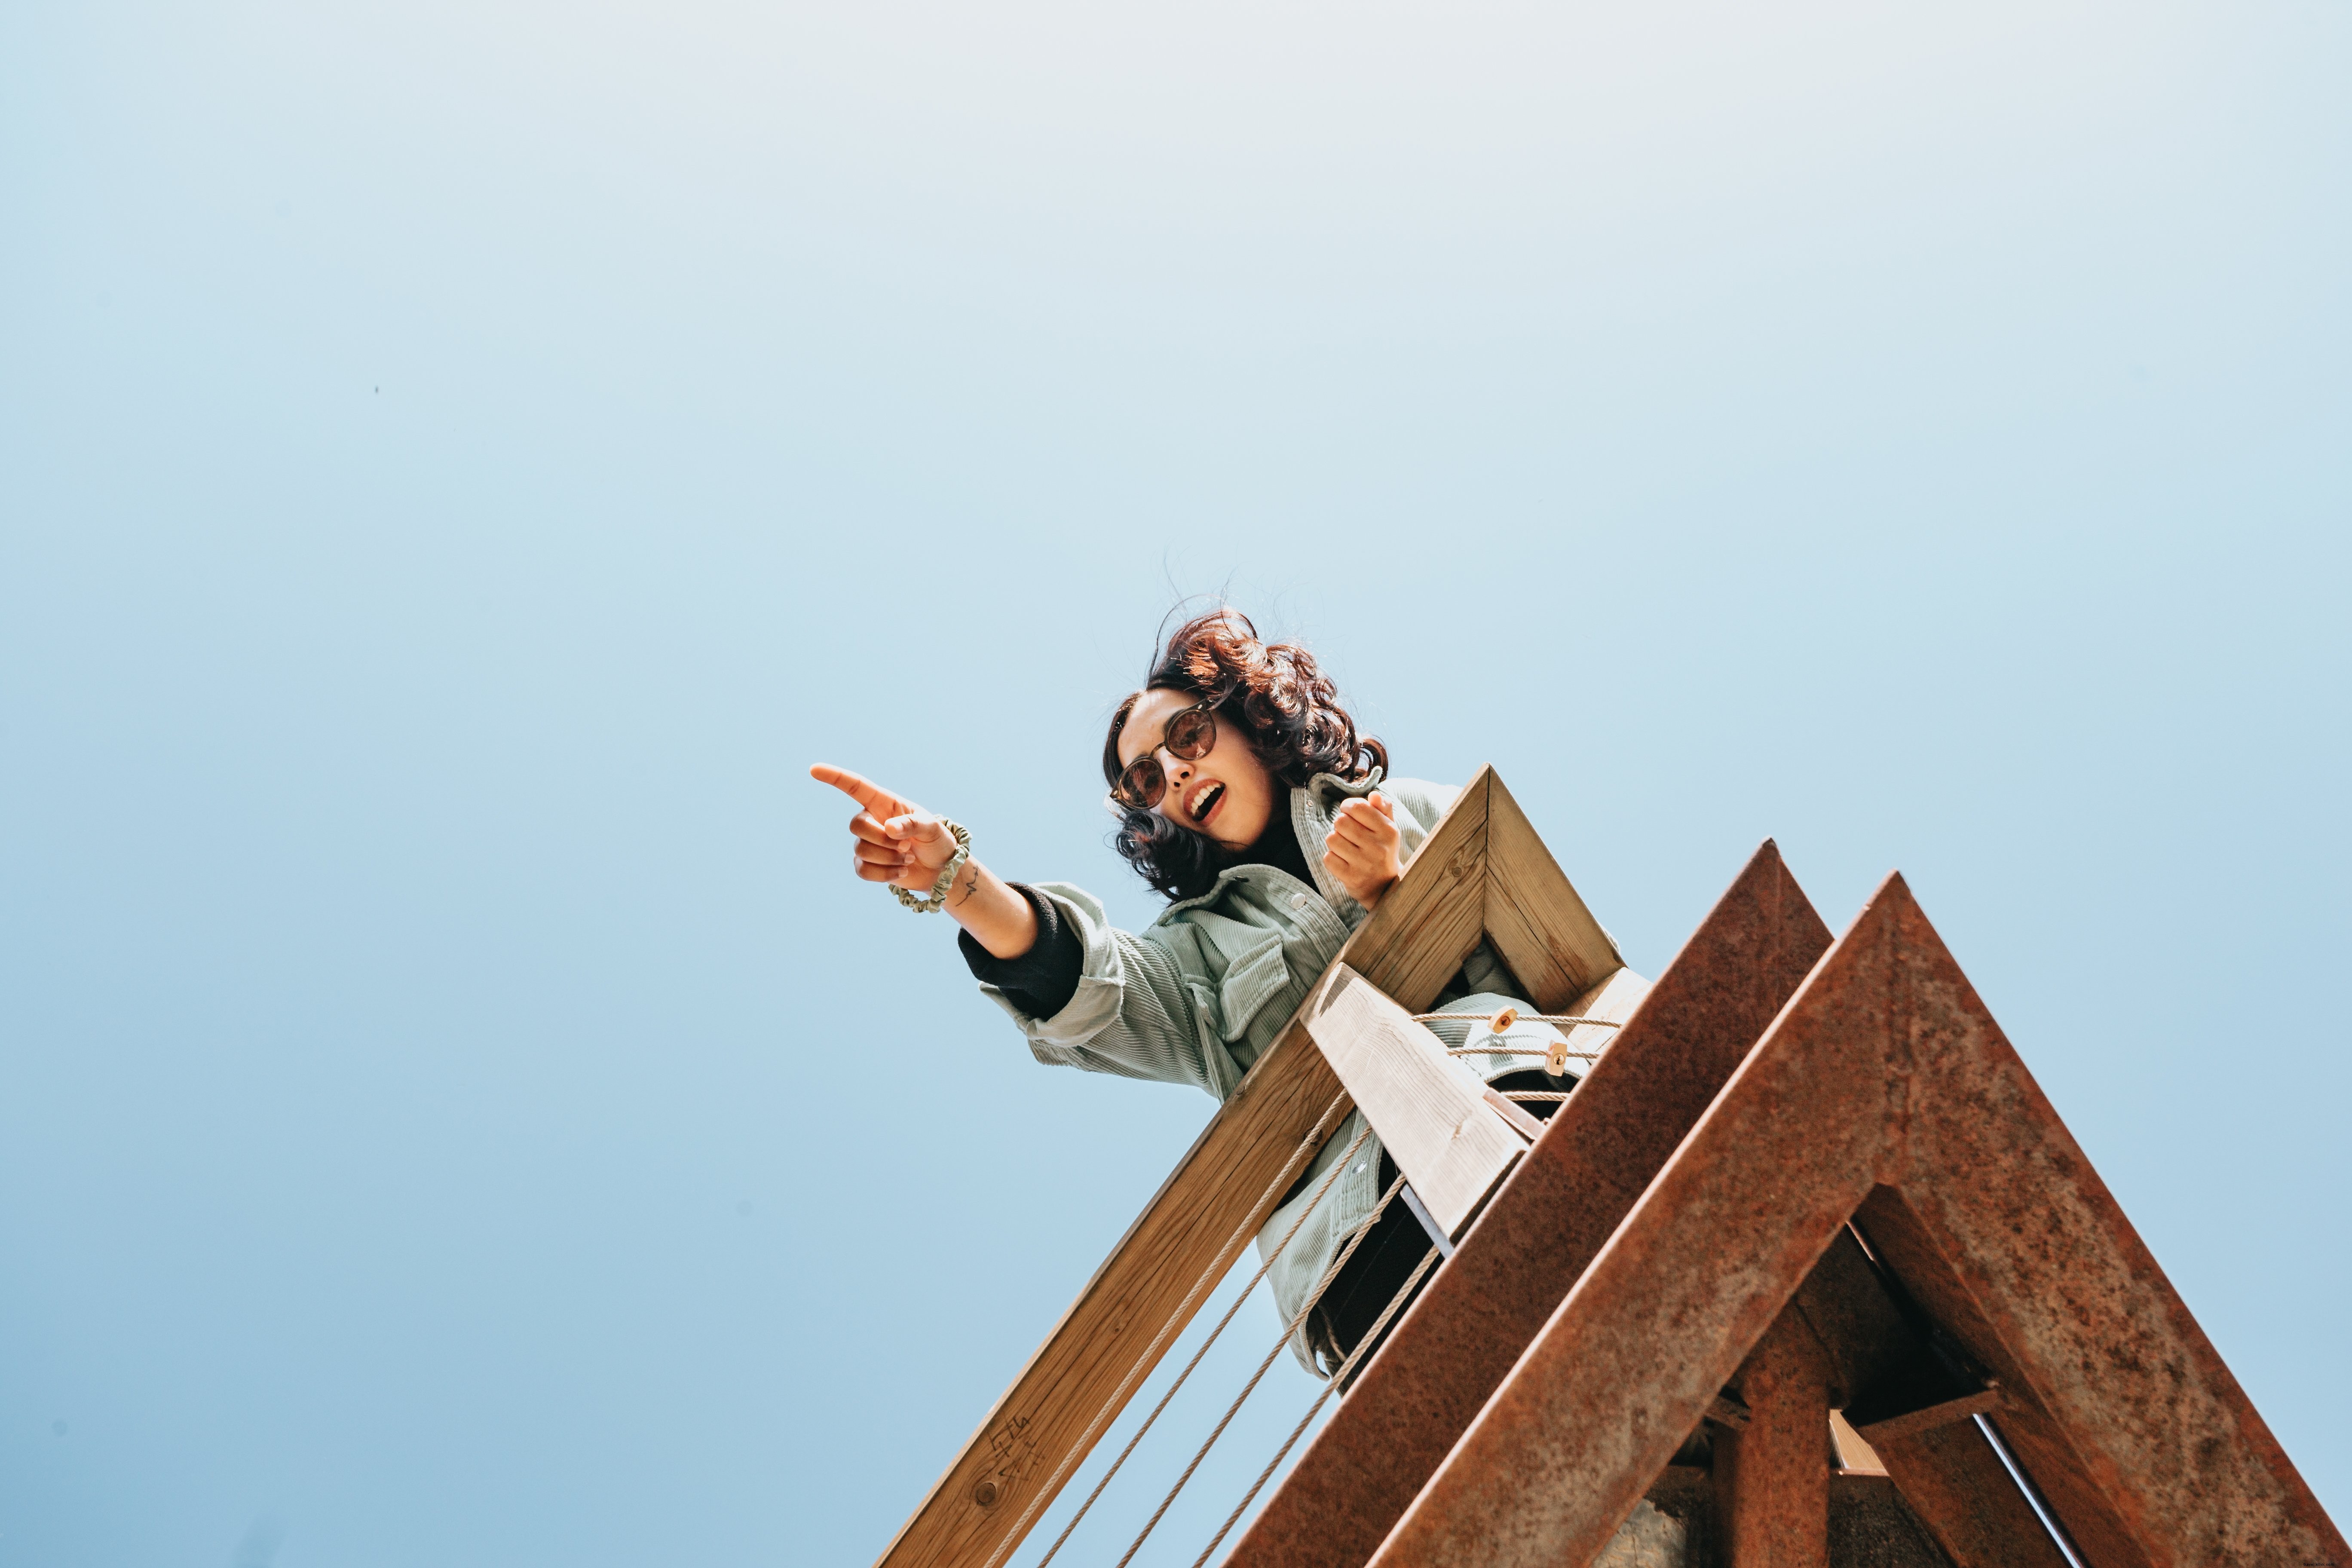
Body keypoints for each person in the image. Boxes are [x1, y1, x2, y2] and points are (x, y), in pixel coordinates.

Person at [811, 609, 1583, 1379]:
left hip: (1524, 1121)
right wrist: (958, 882)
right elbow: (1087, 985)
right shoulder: (1195, 954)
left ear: (1249, 719)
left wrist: (1399, 889)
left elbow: (1541, 955)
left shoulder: (1400, 808)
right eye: (1146, 778)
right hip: (1366, 1250)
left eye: (1186, 738)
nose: (1174, 774)